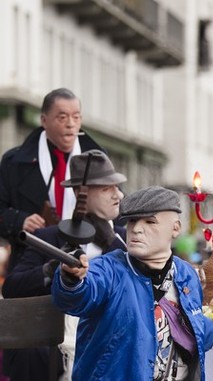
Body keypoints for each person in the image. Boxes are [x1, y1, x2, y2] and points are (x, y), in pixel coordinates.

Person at [52, 186, 213, 380]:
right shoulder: (108, 269)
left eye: (150, 221)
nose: (136, 229)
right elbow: (78, 296)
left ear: (176, 228)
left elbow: (191, 327)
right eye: (132, 221)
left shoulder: (185, 273)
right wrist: (71, 278)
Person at [2, 149, 128, 380]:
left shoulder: (126, 238)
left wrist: (111, 241)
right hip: (55, 351)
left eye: (117, 187)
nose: (118, 195)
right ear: (82, 192)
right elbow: (12, 287)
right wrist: (54, 268)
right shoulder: (49, 237)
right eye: (106, 188)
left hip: (111, 340)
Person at [0, 88, 104, 273]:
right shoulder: (15, 162)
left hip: (89, 263)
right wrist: (19, 221)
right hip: (32, 262)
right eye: (62, 118)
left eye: (76, 117)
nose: (71, 124)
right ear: (44, 120)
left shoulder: (99, 161)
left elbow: (116, 209)